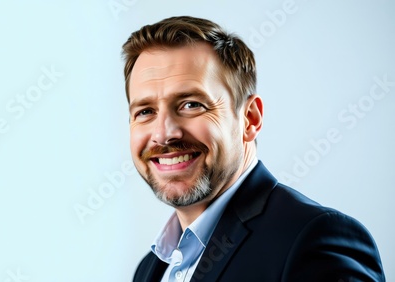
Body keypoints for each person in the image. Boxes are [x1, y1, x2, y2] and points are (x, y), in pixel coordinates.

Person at [121, 16, 385, 281]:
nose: (164, 134)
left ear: (250, 119)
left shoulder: (313, 239)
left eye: (191, 104)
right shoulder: (150, 269)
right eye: (145, 111)